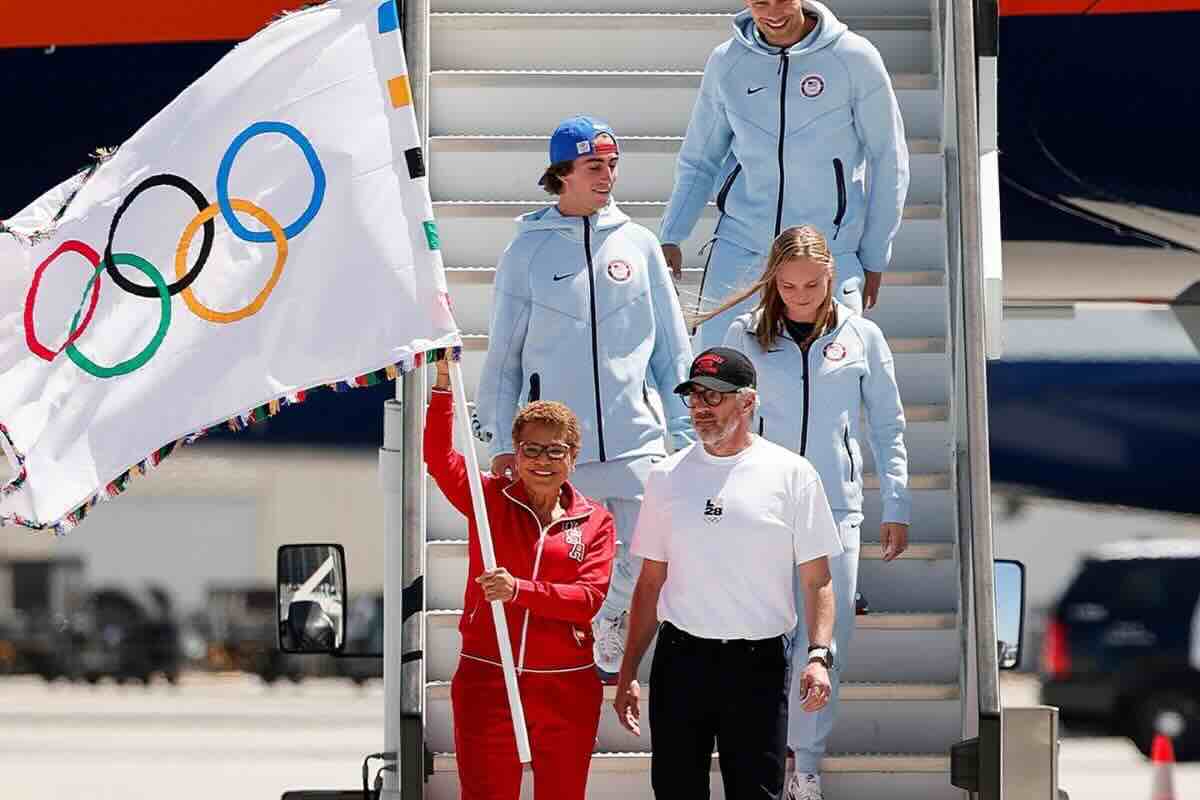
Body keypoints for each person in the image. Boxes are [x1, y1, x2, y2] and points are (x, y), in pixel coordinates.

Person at [474, 115, 694, 675]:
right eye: (595, 167)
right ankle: (574, 646)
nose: (608, 177)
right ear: (562, 173)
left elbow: (671, 348)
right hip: (560, 448)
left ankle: (612, 619)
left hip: (636, 434)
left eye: (613, 166)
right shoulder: (527, 252)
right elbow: (504, 358)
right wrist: (502, 439)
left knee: (650, 549)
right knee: (575, 557)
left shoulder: (640, 245)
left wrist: (686, 430)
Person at [708, 225, 911, 800]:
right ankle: (765, 752)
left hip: (835, 505)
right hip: (760, 504)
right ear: (772, 280)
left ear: (831, 278)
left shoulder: (862, 337)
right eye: (789, 284)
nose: (800, 295)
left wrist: (897, 501)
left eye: (813, 284)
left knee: (825, 640)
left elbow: (888, 425)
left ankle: (808, 761)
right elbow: (716, 419)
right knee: (761, 636)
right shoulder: (743, 336)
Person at [613, 346, 843, 800]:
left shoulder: (793, 474)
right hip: (681, 662)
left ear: (748, 401)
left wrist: (818, 657)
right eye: (694, 396)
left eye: (714, 396)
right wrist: (627, 671)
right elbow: (650, 583)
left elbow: (818, 580)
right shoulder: (666, 476)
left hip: (758, 666)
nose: (701, 408)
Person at [660, 0, 910, 350]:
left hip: (827, 253)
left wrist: (874, 254)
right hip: (741, 249)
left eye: (783, 0)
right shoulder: (727, 62)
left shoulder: (854, 58)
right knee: (719, 383)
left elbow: (889, 159)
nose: (773, 12)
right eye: (762, 2)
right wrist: (672, 233)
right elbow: (701, 157)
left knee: (827, 385)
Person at [425, 356, 616, 800]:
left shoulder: (596, 520)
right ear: (516, 452)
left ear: (573, 457)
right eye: (531, 449)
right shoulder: (489, 497)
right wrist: (441, 384)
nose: (542, 460)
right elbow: (438, 456)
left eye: (555, 450)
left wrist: (518, 590)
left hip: (566, 686)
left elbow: (587, 600)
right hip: (488, 678)